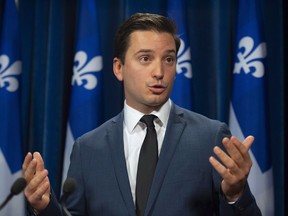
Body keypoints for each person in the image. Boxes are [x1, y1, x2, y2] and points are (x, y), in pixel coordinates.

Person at [23, 13, 261, 216]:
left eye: (169, 59)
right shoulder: (87, 149)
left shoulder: (211, 137)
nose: (159, 72)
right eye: (145, 58)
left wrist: (235, 194)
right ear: (119, 68)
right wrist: (44, 207)